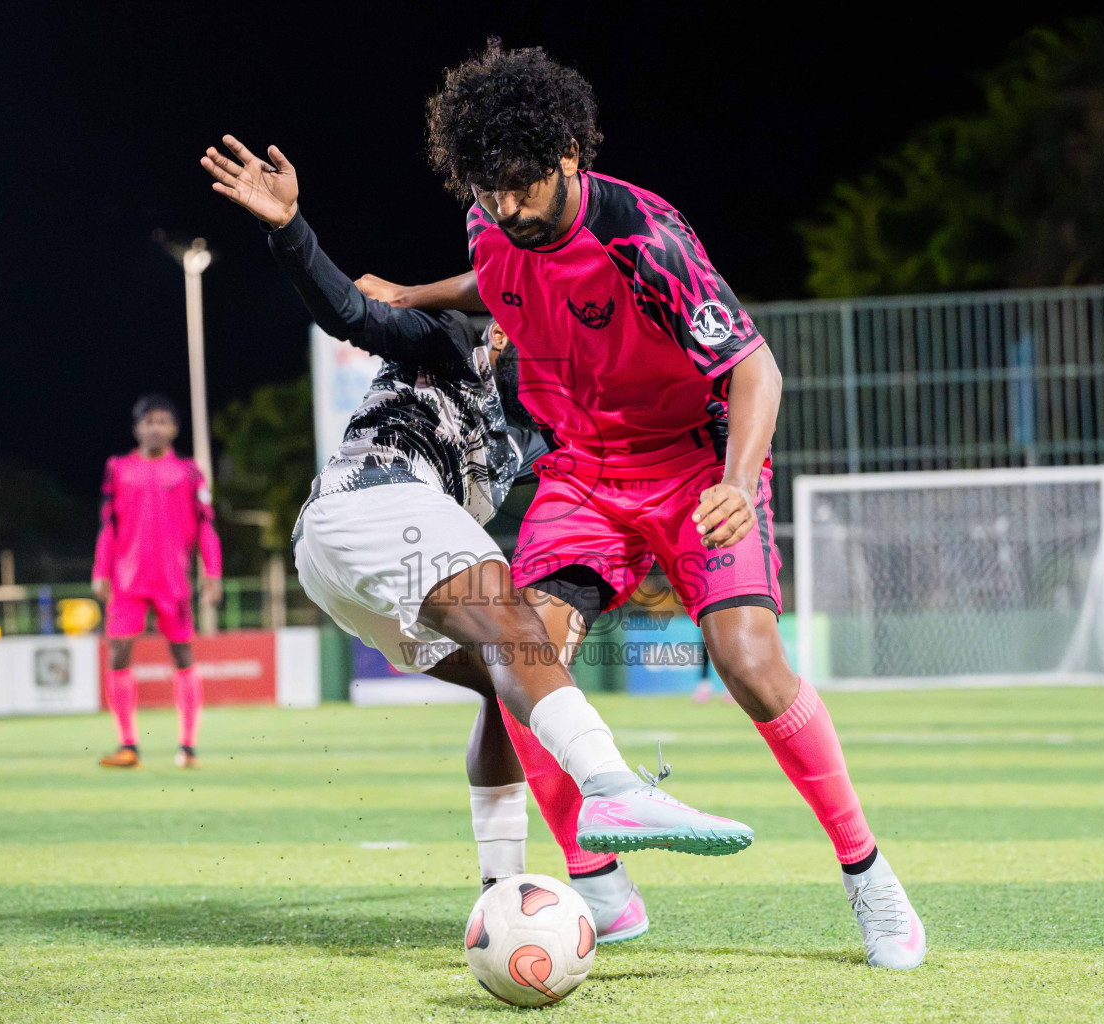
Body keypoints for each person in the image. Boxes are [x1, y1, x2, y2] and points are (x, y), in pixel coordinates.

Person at [363, 41, 926, 970]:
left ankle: (868, 874)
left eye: (521, 186)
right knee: (518, 660)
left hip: (691, 465)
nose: (506, 208)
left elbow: (755, 366)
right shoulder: (490, 224)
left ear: (569, 155)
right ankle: (599, 883)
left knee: (748, 663)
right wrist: (413, 292)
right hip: (581, 474)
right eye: (486, 189)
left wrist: (738, 486)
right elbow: (498, 282)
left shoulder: (642, 237)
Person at [198, 133, 753, 940]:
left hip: (345, 555)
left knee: (512, 677)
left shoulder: (539, 423)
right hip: (371, 500)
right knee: (516, 630)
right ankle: (612, 786)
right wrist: (291, 229)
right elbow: (348, 310)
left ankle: (507, 894)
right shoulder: (450, 340)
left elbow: (596, 481)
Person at [92, 395, 223, 770]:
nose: (155, 427)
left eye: (163, 421)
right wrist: (100, 570)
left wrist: (212, 571)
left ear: (174, 429)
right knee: (117, 653)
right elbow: (107, 524)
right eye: (148, 421)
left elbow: (206, 526)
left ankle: (188, 746)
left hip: (172, 581)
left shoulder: (188, 472)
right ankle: (128, 745)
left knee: (183, 656)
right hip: (127, 580)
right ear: (137, 428)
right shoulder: (117, 468)